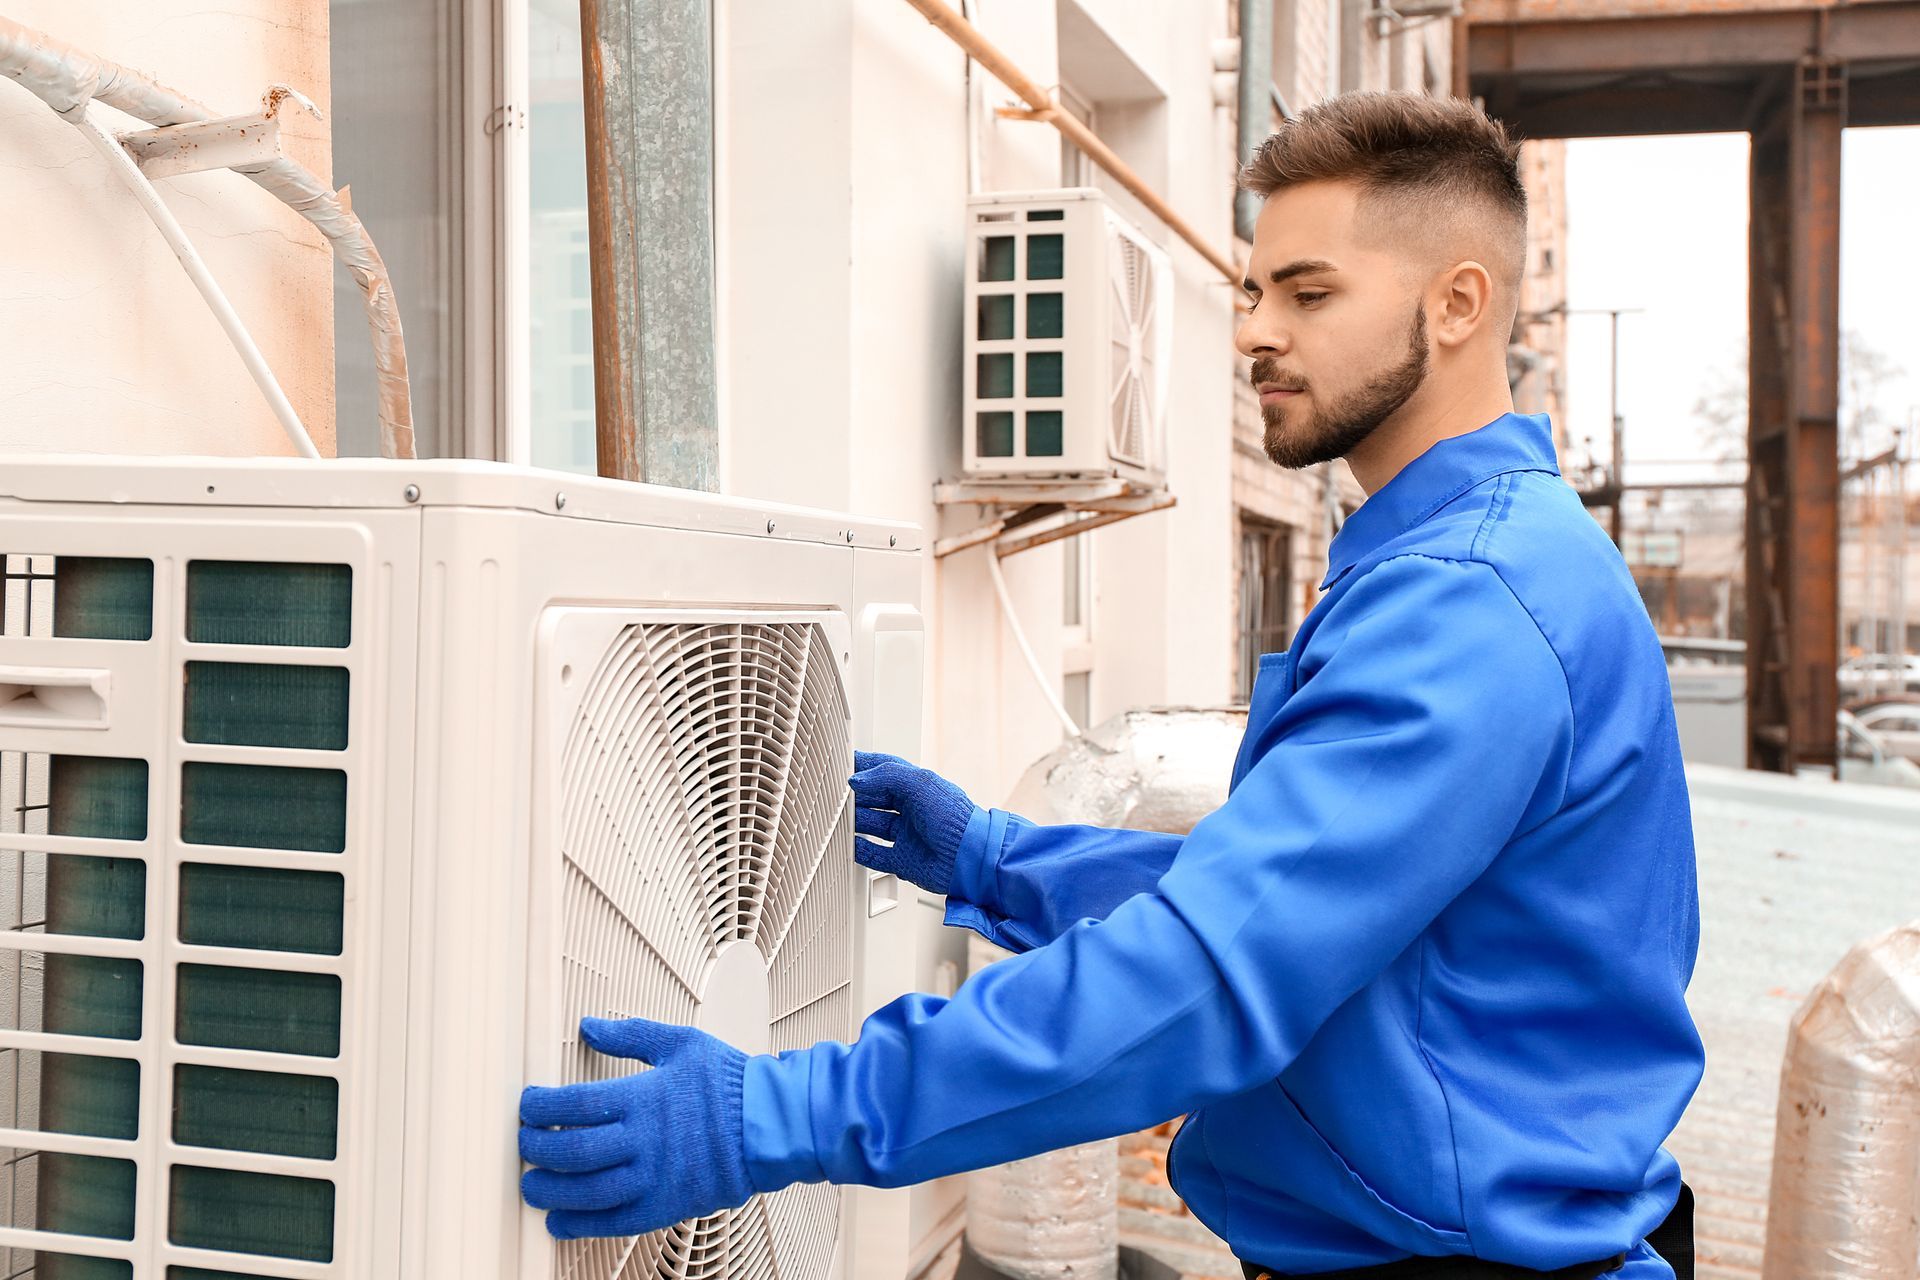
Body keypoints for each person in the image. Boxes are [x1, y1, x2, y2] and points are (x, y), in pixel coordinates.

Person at [517, 91, 1704, 1279]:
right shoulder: (1459, 555)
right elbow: (1298, 899)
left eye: (1308, 291)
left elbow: (1207, 972)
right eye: (1252, 291)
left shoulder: (1468, 600)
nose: (1253, 332)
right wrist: (995, 860)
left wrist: (771, 1116)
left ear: (1457, 304)